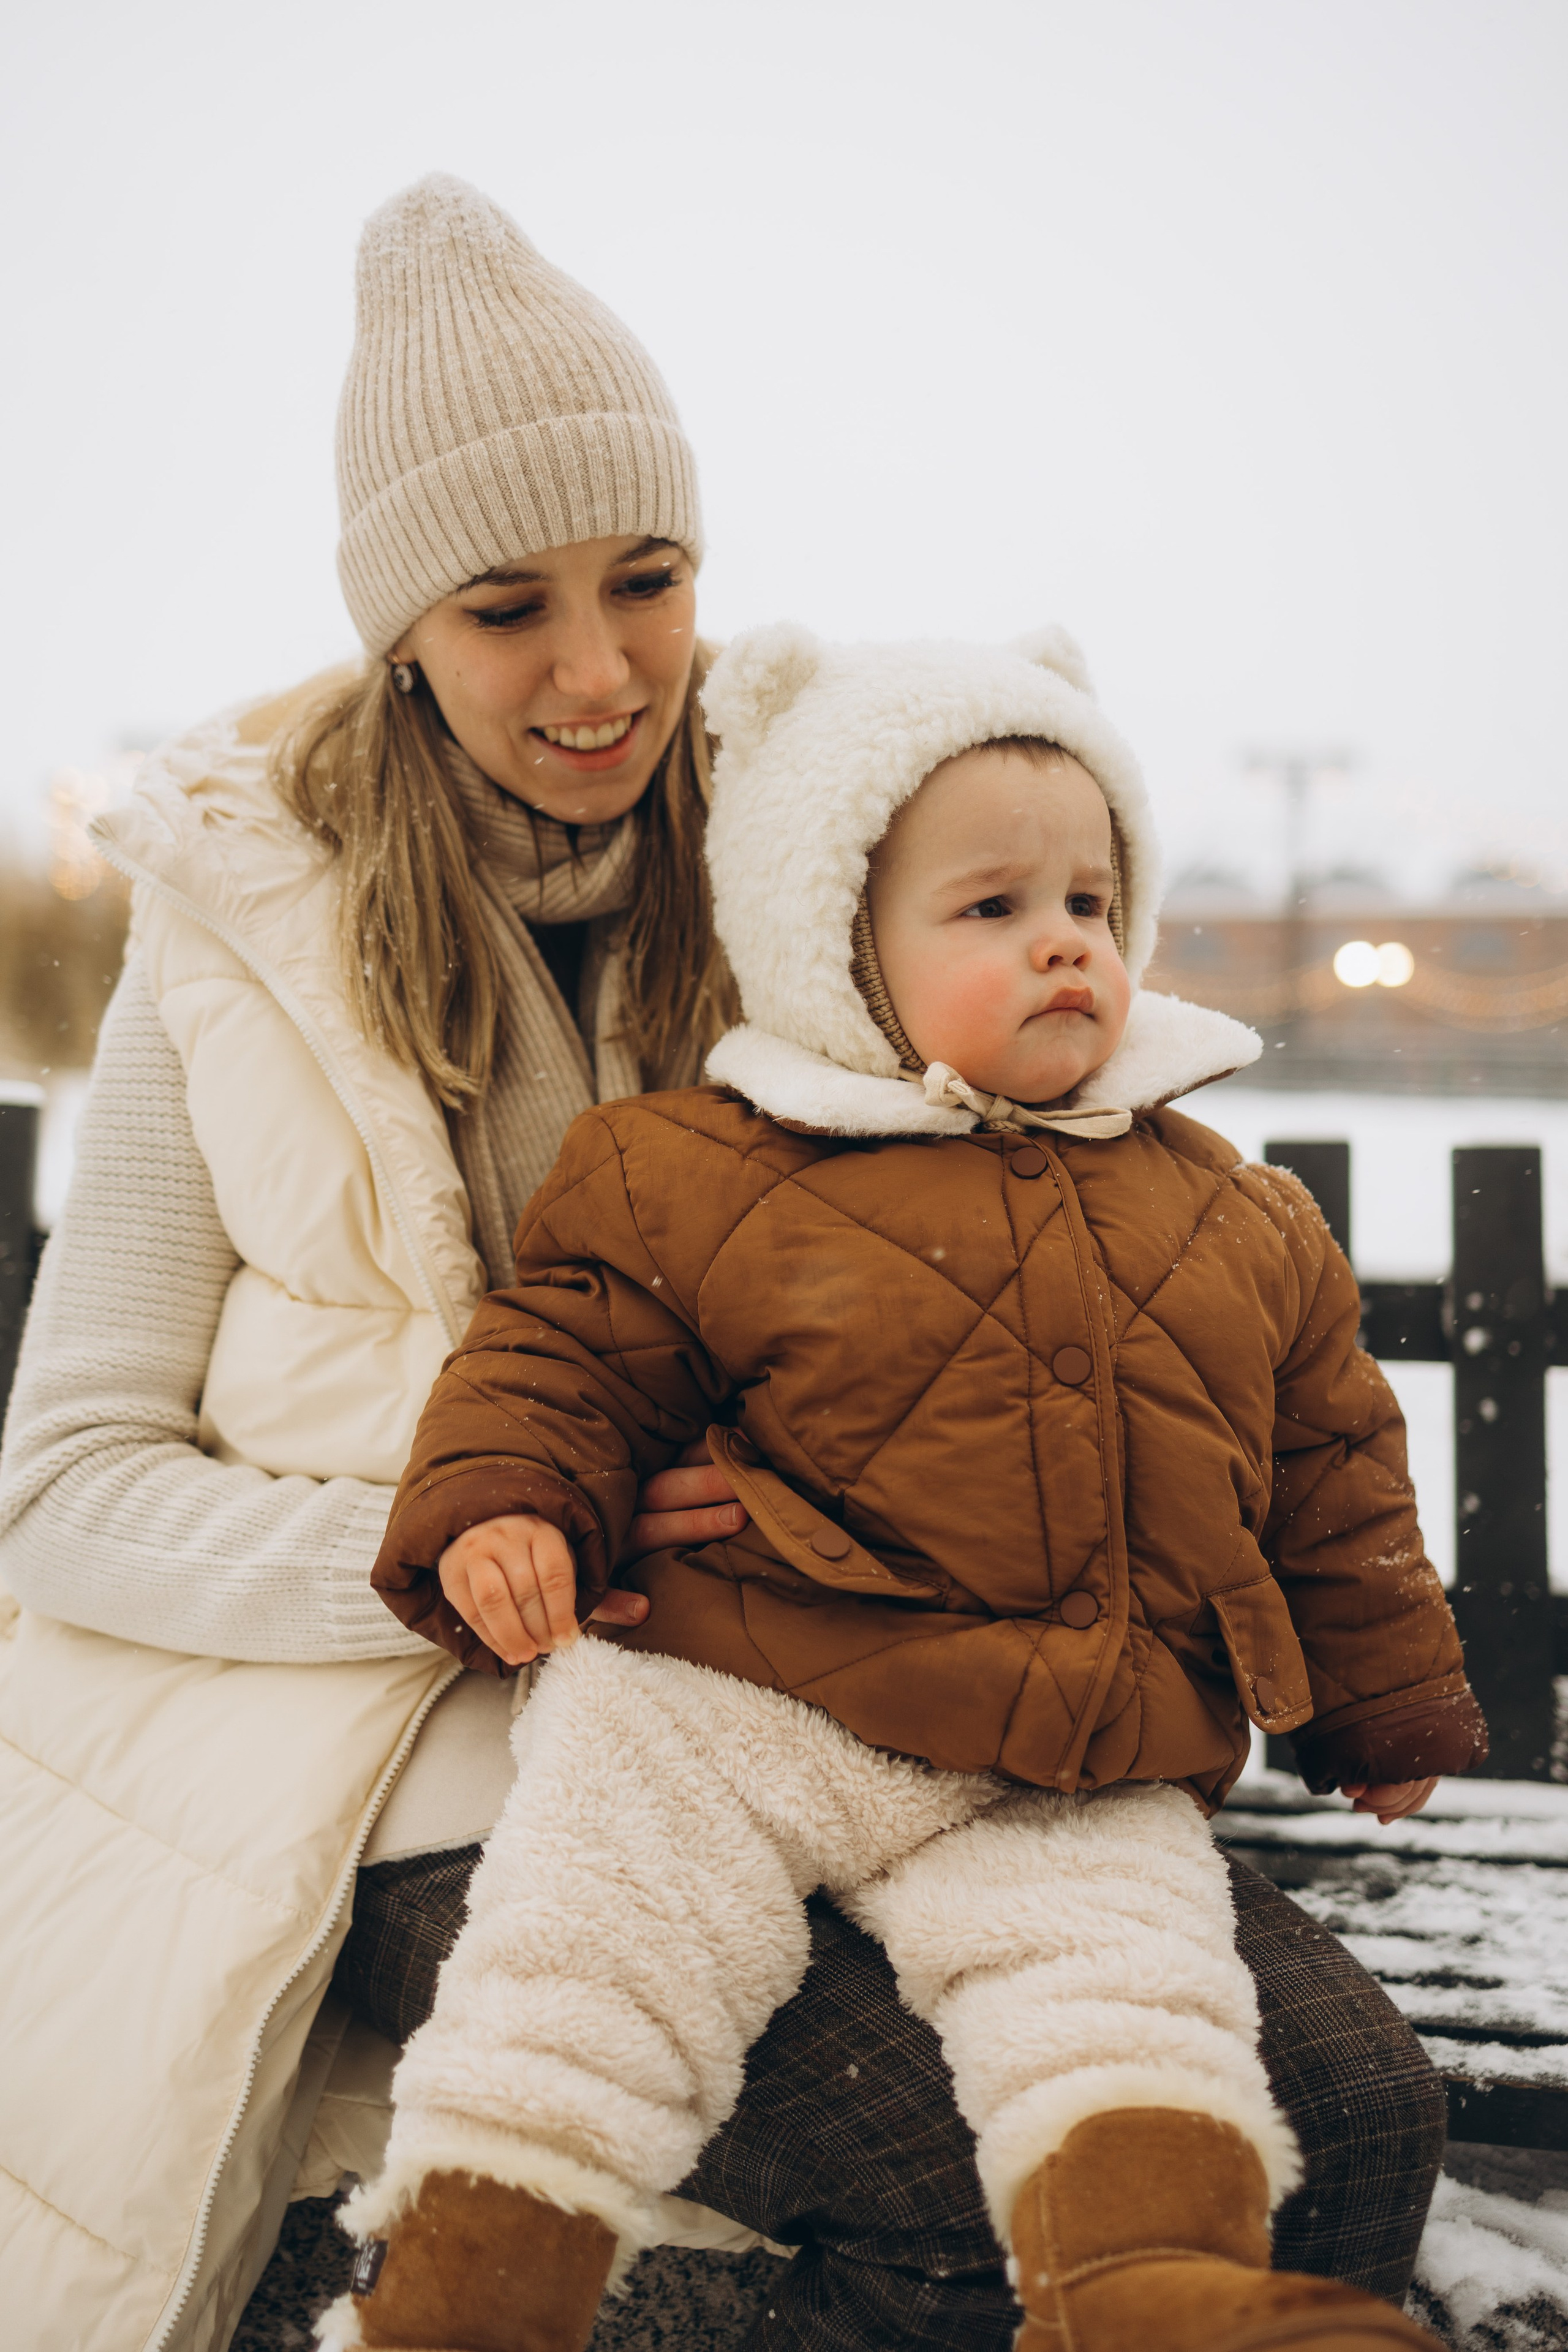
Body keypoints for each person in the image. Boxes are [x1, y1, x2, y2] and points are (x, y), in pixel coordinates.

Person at [0, 176, 1447, 2352]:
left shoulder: (829, 860)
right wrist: (488, 1542)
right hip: (407, 1742)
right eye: (506, 608)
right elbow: (63, 1484)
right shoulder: (237, 935)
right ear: (400, 624)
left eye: (647, 582)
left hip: (898, 1685)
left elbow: (1072, 1233)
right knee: (936, 2179)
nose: (599, 675)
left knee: (1342, 2116)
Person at [343, 622, 1487, 2352]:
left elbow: (1332, 1476)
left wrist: (1385, 1702)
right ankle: (471, 2295)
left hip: (1063, 1747)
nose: (1062, 946)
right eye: (992, 909)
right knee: (592, 1959)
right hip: (743, 1701)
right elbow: (560, 1359)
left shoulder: (1231, 1218)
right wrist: (508, 1507)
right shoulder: (690, 1174)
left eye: (1092, 905)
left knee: (1130, 1997)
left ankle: (1154, 2281)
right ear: (841, 950)